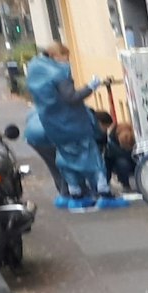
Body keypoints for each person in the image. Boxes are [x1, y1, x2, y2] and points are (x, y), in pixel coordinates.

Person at [25, 44, 122, 210]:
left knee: (65, 159)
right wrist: (90, 87)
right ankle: (104, 193)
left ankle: (75, 194)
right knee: (92, 158)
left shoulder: (36, 73)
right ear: (57, 56)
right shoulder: (59, 73)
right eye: (66, 56)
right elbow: (71, 97)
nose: (67, 60)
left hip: (52, 126)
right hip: (73, 123)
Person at [93, 111, 136, 193]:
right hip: (117, 161)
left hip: (123, 160)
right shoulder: (109, 138)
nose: (106, 130)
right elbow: (111, 156)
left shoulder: (108, 135)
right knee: (121, 163)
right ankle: (122, 184)